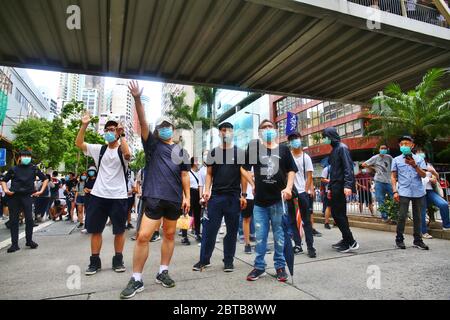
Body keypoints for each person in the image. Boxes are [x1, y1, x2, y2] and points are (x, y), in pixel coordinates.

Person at [120, 81, 190, 299]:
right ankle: (137, 278)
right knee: (143, 236)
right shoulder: (152, 145)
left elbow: (185, 175)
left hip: (174, 200)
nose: (165, 128)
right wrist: (137, 99)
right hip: (154, 198)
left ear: (173, 130)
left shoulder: (181, 151)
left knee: (170, 235)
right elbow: (142, 122)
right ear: (158, 131)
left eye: (168, 126)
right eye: (162, 126)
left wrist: (187, 197)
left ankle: (163, 272)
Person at [76, 110, 132, 275]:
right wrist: (84, 125)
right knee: (95, 230)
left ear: (118, 132)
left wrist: (122, 136)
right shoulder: (98, 149)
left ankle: (118, 260)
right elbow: (79, 143)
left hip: (119, 196)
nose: (109, 132)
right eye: (107, 130)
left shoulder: (122, 149)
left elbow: (128, 154)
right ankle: (94, 262)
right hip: (98, 196)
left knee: (119, 231)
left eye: (113, 129)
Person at [242, 119, 297, 282]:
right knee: (260, 235)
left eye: (270, 127)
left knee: (279, 235)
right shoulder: (254, 149)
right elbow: (243, 168)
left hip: (278, 201)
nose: (267, 129)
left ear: (275, 130)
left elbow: (292, 170)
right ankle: (259, 266)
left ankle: (280, 266)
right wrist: (253, 183)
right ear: (259, 132)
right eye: (264, 128)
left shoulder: (284, 149)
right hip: (260, 202)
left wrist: (288, 188)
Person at [192, 122, 247, 272]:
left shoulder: (240, 153)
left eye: (229, 130)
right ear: (219, 133)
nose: (226, 133)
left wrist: (244, 195)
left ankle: (228, 260)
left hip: (234, 198)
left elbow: (243, 176)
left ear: (233, 133)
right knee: (210, 230)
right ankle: (204, 260)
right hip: (216, 197)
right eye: (223, 130)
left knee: (231, 231)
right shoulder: (213, 153)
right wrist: (207, 191)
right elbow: (209, 174)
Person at [0, 150, 48, 253]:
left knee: (30, 219)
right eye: (24, 155)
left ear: (30, 157)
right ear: (20, 157)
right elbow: (4, 180)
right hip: (14, 196)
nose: (26, 157)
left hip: (27, 196)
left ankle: (29, 241)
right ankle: (14, 244)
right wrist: (5, 190)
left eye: (28, 156)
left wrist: (41, 191)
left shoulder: (34, 168)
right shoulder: (13, 169)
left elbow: (45, 179)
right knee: (14, 220)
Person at [322, 127, 359, 253]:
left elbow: (348, 168)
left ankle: (350, 241)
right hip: (335, 186)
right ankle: (346, 239)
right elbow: (333, 172)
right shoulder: (334, 150)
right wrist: (330, 188)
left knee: (339, 214)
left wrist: (348, 185)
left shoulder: (342, 148)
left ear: (330, 136)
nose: (324, 139)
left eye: (325, 137)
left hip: (342, 185)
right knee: (337, 214)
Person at [391, 136, 429, 250]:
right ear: (399, 146)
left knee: (418, 217)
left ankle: (418, 240)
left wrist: (414, 165)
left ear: (412, 145)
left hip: (418, 191)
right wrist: (395, 191)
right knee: (402, 216)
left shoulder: (419, 159)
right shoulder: (396, 160)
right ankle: (399, 239)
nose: (404, 146)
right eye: (402, 144)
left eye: (407, 143)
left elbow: (423, 175)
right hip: (403, 191)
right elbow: (393, 176)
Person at [287, 132, 316, 258]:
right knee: (293, 220)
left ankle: (310, 247)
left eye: (296, 138)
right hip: (291, 193)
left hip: (303, 193)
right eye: (292, 139)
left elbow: (309, 177)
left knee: (306, 221)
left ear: (300, 139)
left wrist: (305, 191)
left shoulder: (306, 157)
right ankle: (297, 245)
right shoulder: (288, 156)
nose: (294, 141)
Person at [416, 147, 450, 237]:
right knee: (422, 211)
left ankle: (446, 225)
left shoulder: (429, 165)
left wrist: (433, 174)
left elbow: (436, 177)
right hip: (420, 191)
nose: (420, 153)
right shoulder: (413, 165)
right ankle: (423, 232)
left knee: (444, 204)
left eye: (422, 152)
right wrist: (429, 178)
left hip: (430, 190)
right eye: (418, 152)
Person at [362, 145, 393, 221]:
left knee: (393, 198)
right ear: (379, 149)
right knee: (380, 199)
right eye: (382, 148)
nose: (383, 150)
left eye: (385, 148)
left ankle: (394, 216)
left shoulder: (389, 157)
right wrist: (374, 168)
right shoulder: (375, 158)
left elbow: (394, 166)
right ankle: (384, 217)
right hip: (379, 181)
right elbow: (364, 164)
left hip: (389, 181)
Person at [188, 157, 202, 243]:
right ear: (193, 163)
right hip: (190, 193)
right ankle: (185, 236)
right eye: (197, 161)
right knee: (188, 215)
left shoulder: (199, 173)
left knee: (197, 215)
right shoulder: (188, 173)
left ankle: (197, 233)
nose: (198, 163)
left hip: (198, 194)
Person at [241, 169, 255, 254]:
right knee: (246, 219)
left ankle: (261, 244)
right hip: (247, 195)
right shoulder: (243, 163)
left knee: (262, 219)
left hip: (259, 195)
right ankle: (247, 244)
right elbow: (245, 175)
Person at [82, 166, 97, 234]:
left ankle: (94, 227)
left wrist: (90, 190)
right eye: (90, 171)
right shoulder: (87, 179)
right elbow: (84, 188)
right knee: (87, 212)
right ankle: (87, 227)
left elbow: (97, 189)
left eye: (92, 171)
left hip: (95, 198)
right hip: (87, 198)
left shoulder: (98, 180)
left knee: (94, 213)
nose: (91, 172)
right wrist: (87, 190)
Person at [320, 164, 332, 229]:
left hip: (337, 189)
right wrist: (331, 181)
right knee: (328, 206)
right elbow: (322, 179)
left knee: (336, 207)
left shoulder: (338, 167)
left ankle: (336, 222)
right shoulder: (327, 169)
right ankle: (326, 223)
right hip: (328, 190)